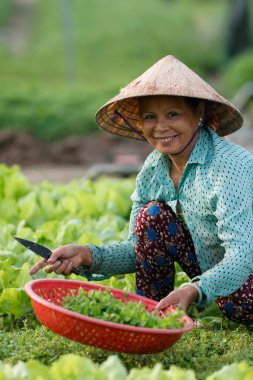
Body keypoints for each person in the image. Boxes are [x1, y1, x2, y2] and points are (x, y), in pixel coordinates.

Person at [30, 55, 253, 324]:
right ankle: (153, 316)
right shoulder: (154, 168)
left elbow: (243, 255)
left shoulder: (229, 166)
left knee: (238, 302)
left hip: (245, 273)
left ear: (198, 114)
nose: (160, 127)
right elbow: (139, 250)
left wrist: (193, 288)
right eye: (150, 117)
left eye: (173, 114)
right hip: (216, 278)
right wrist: (88, 255)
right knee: (152, 217)